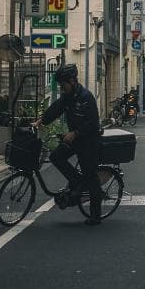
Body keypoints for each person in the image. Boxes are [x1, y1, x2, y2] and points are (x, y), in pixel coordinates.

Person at [33, 63, 103, 226]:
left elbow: (93, 123)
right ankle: (78, 182)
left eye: (63, 84)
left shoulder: (86, 97)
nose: (61, 88)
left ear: (72, 81)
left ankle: (95, 216)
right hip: (74, 139)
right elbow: (56, 109)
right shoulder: (67, 96)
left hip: (89, 140)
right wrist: (41, 121)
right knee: (56, 157)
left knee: (90, 176)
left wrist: (75, 133)